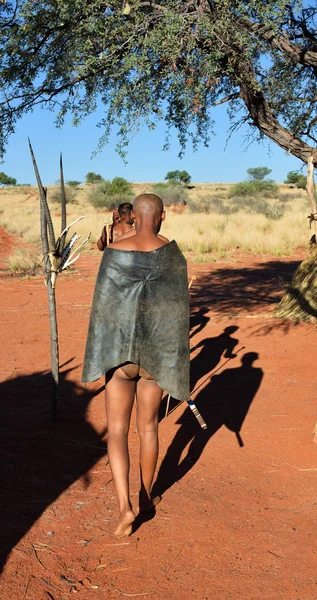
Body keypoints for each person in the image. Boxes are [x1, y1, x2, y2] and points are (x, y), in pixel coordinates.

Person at [82, 194, 190, 537]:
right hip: (155, 358)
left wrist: (99, 358)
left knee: (116, 430)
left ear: (134, 215)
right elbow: (178, 317)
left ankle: (124, 507)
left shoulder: (115, 253)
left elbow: (102, 311)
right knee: (149, 429)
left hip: (119, 355)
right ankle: (146, 497)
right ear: (160, 217)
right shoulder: (174, 256)